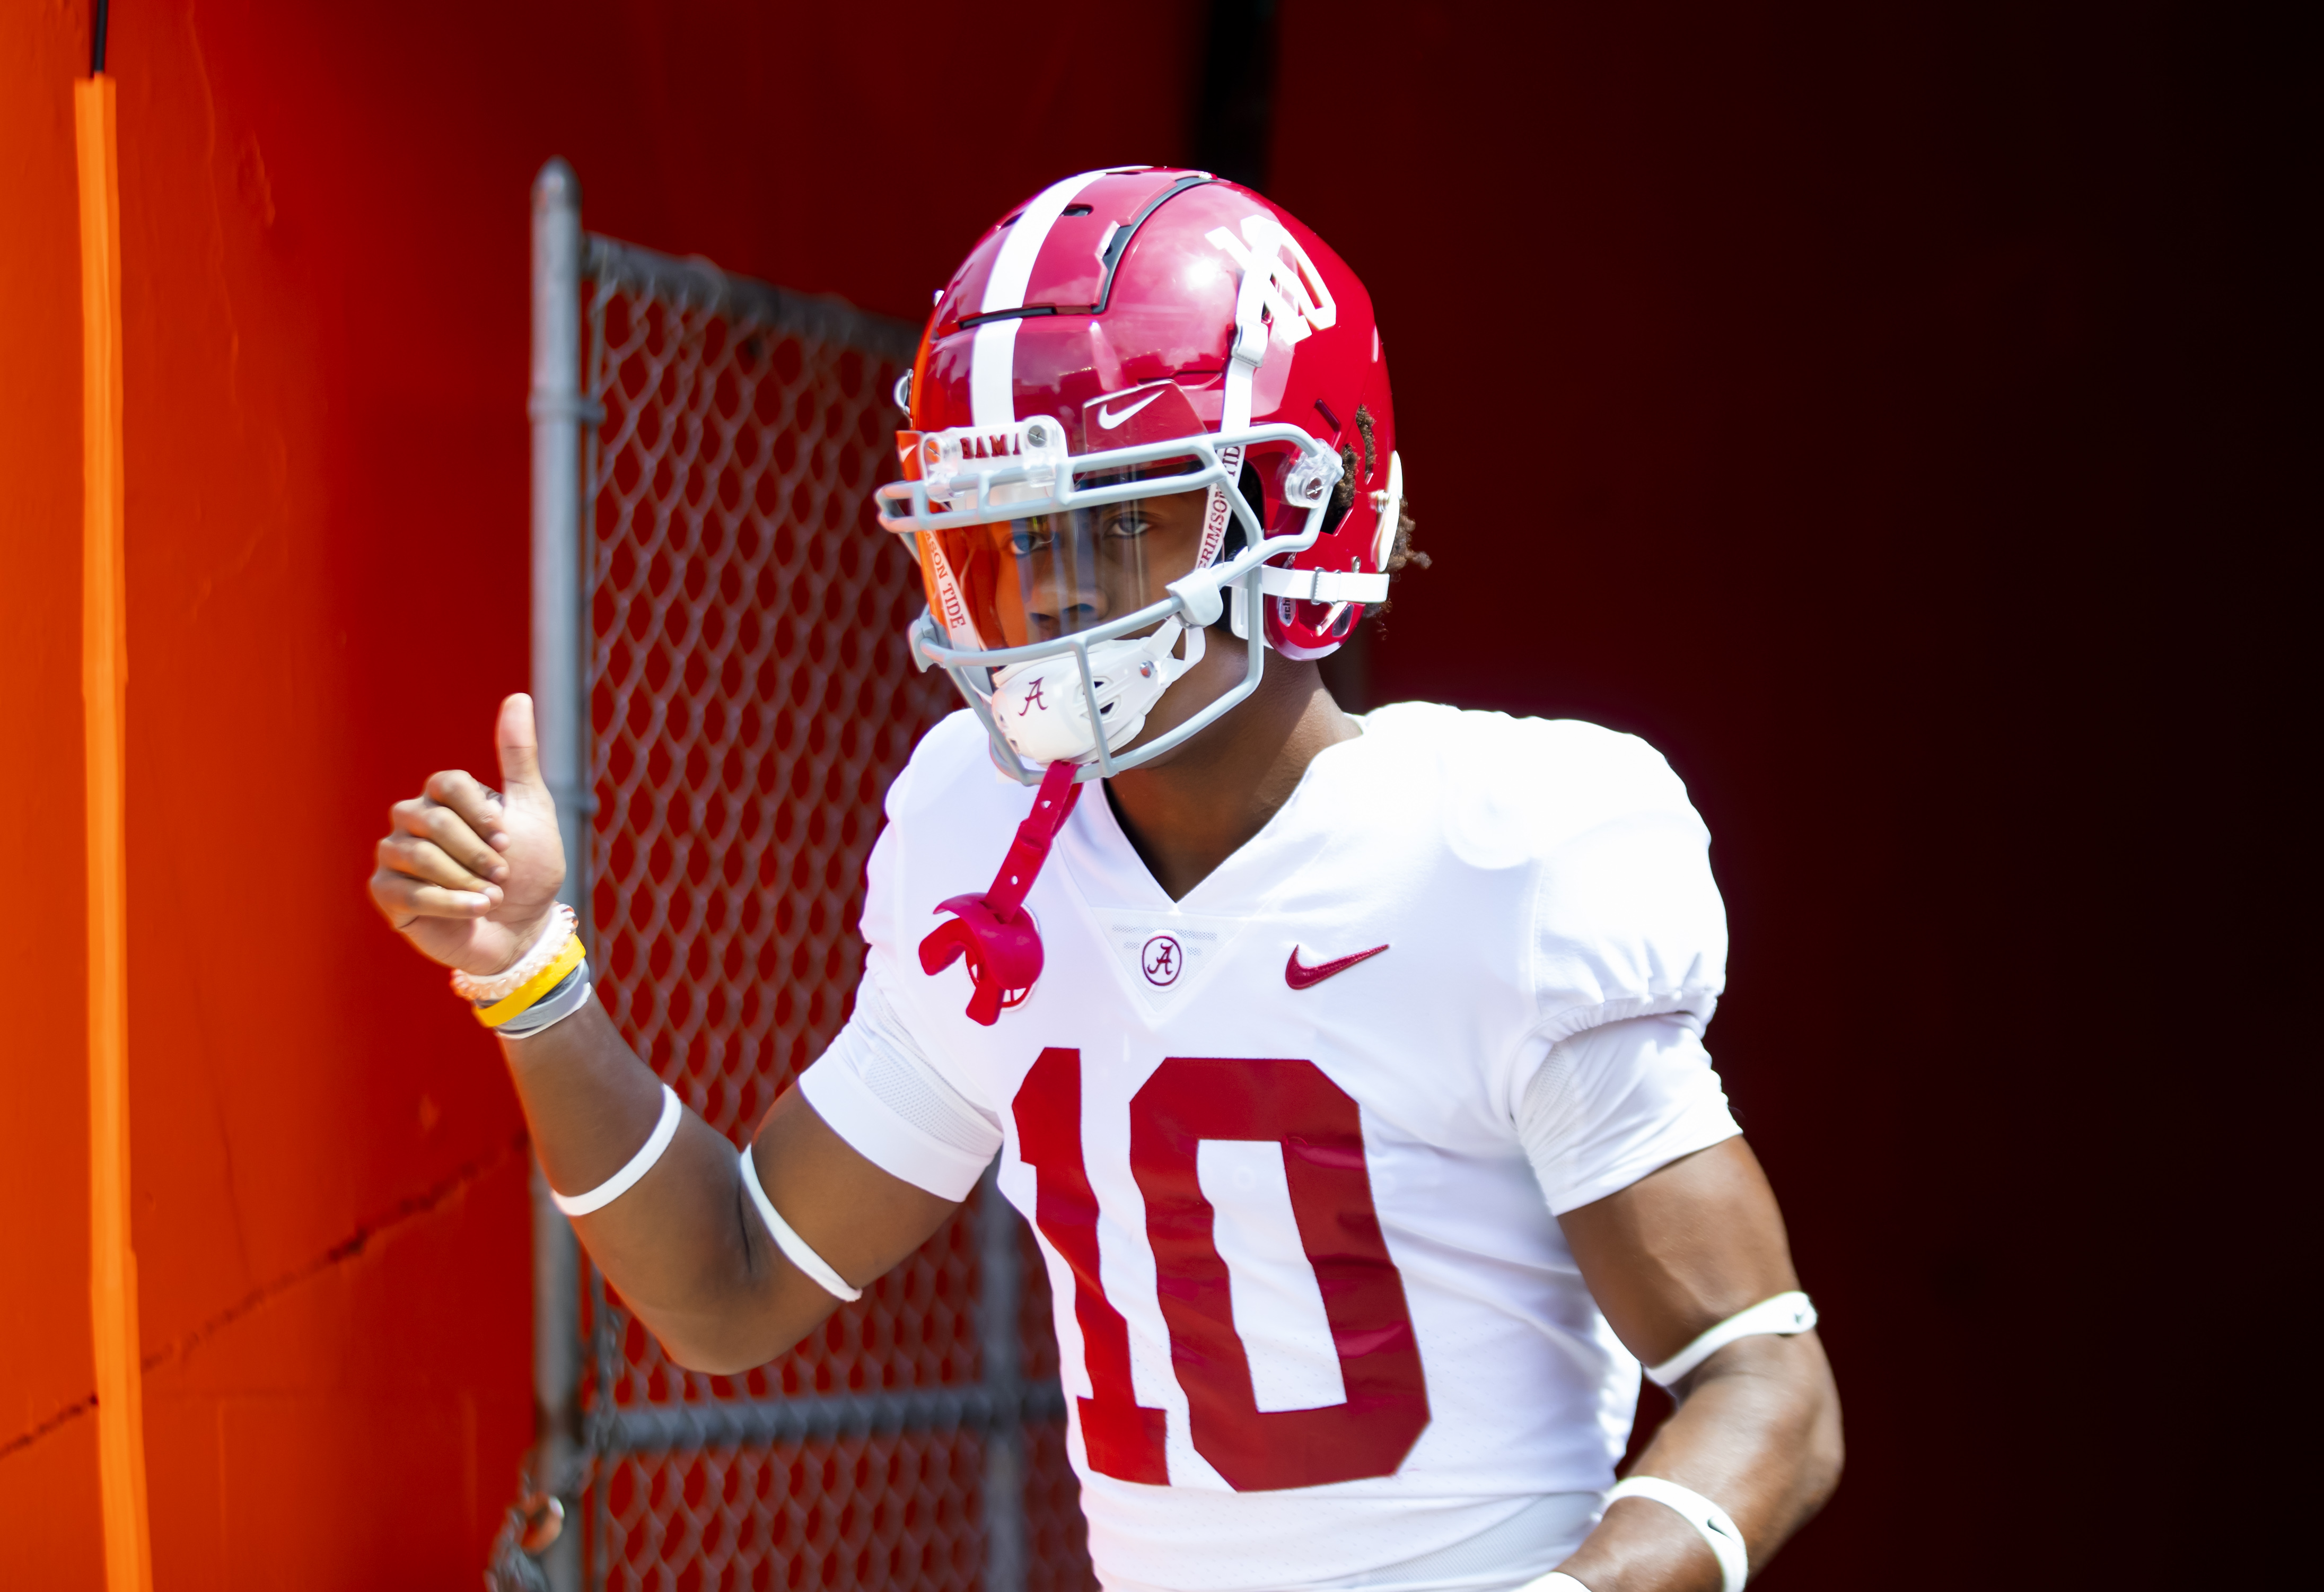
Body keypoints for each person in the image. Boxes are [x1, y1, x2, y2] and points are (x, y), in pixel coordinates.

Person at [371, 168, 1841, 1592]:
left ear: (1295, 497)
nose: (1051, 588)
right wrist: (532, 979)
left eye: (1113, 519)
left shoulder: (1494, 853)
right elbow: (736, 1279)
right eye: (1012, 533)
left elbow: (1764, 1369)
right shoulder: (991, 854)